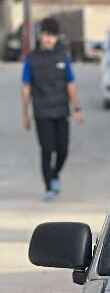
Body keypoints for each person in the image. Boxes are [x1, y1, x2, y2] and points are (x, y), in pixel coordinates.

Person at [21, 17, 85, 201]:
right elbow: (26, 87)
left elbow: (70, 84)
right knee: (47, 150)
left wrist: (77, 107)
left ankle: (55, 174)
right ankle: (49, 186)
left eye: (53, 36)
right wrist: (25, 113)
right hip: (41, 111)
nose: (50, 39)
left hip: (61, 110)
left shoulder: (62, 56)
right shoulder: (31, 60)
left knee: (63, 150)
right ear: (40, 35)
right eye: (47, 35)